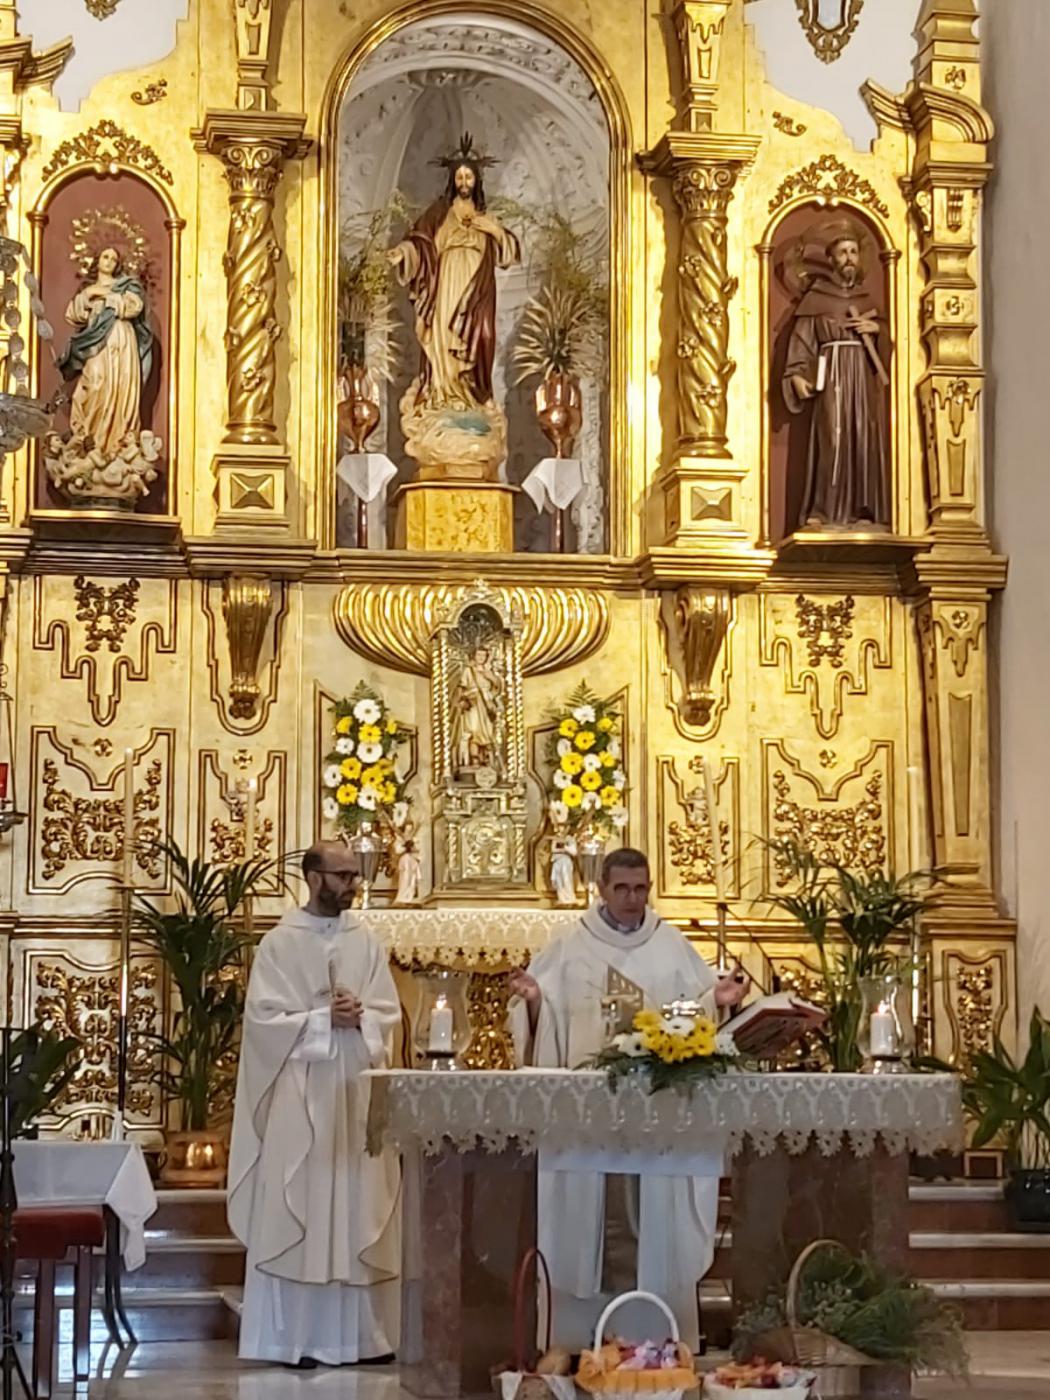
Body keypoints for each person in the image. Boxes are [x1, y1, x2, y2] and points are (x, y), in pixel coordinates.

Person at [507, 848, 749, 1350]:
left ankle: (658, 1337)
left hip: (654, 1114)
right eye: (622, 889)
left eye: (641, 888)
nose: (633, 899)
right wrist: (534, 1004)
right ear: (601, 888)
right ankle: (576, 1342)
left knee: (655, 1214)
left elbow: (693, 1013)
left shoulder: (670, 944)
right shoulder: (570, 946)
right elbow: (542, 1009)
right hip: (589, 1113)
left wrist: (717, 1001)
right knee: (584, 1216)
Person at [228, 841, 401, 1369]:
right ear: (312, 876)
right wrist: (324, 1018)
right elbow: (262, 1023)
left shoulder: (365, 940)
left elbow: (388, 1013)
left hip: (354, 1085)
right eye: (342, 875)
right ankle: (292, 1340)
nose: (352, 884)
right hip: (300, 1094)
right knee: (300, 1204)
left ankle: (364, 1339)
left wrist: (363, 1016)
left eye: (355, 875)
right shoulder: (280, 944)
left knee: (354, 1203)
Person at [388, 136, 519, 412]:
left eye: (468, 176)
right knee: (442, 334)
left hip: (478, 287)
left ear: (476, 180)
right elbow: (419, 240)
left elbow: (509, 252)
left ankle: (470, 399)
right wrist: (403, 252)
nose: (463, 182)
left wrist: (493, 230)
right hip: (446, 281)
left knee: (479, 337)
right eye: (459, 176)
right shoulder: (439, 212)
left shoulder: (486, 216)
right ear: (452, 180)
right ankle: (442, 395)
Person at [782, 220, 890, 530]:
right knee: (833, 435)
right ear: (831, 259)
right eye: (842, 252)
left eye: (853, 251)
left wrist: (877, 330)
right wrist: (797, 374)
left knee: (862, 437)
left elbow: (887, 344)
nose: (849, 258)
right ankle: (823, 511)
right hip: (831, 376)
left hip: (862, 380)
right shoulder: (816, 298)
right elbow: (802, 340)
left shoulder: (867, 301)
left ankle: (864, 511)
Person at [56, 246, 153, 466]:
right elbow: (74, 314)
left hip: (120, 339)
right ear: (97, 261)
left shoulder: (126, 287)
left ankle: (117, 448)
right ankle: (90, 444)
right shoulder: (87, 291)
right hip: (95, 344)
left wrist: (101, 294)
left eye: (114, 258)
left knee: (119, 388)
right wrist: (88, 295)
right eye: (105, 257)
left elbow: (133, 307)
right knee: (95, 383)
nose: (109, 261)